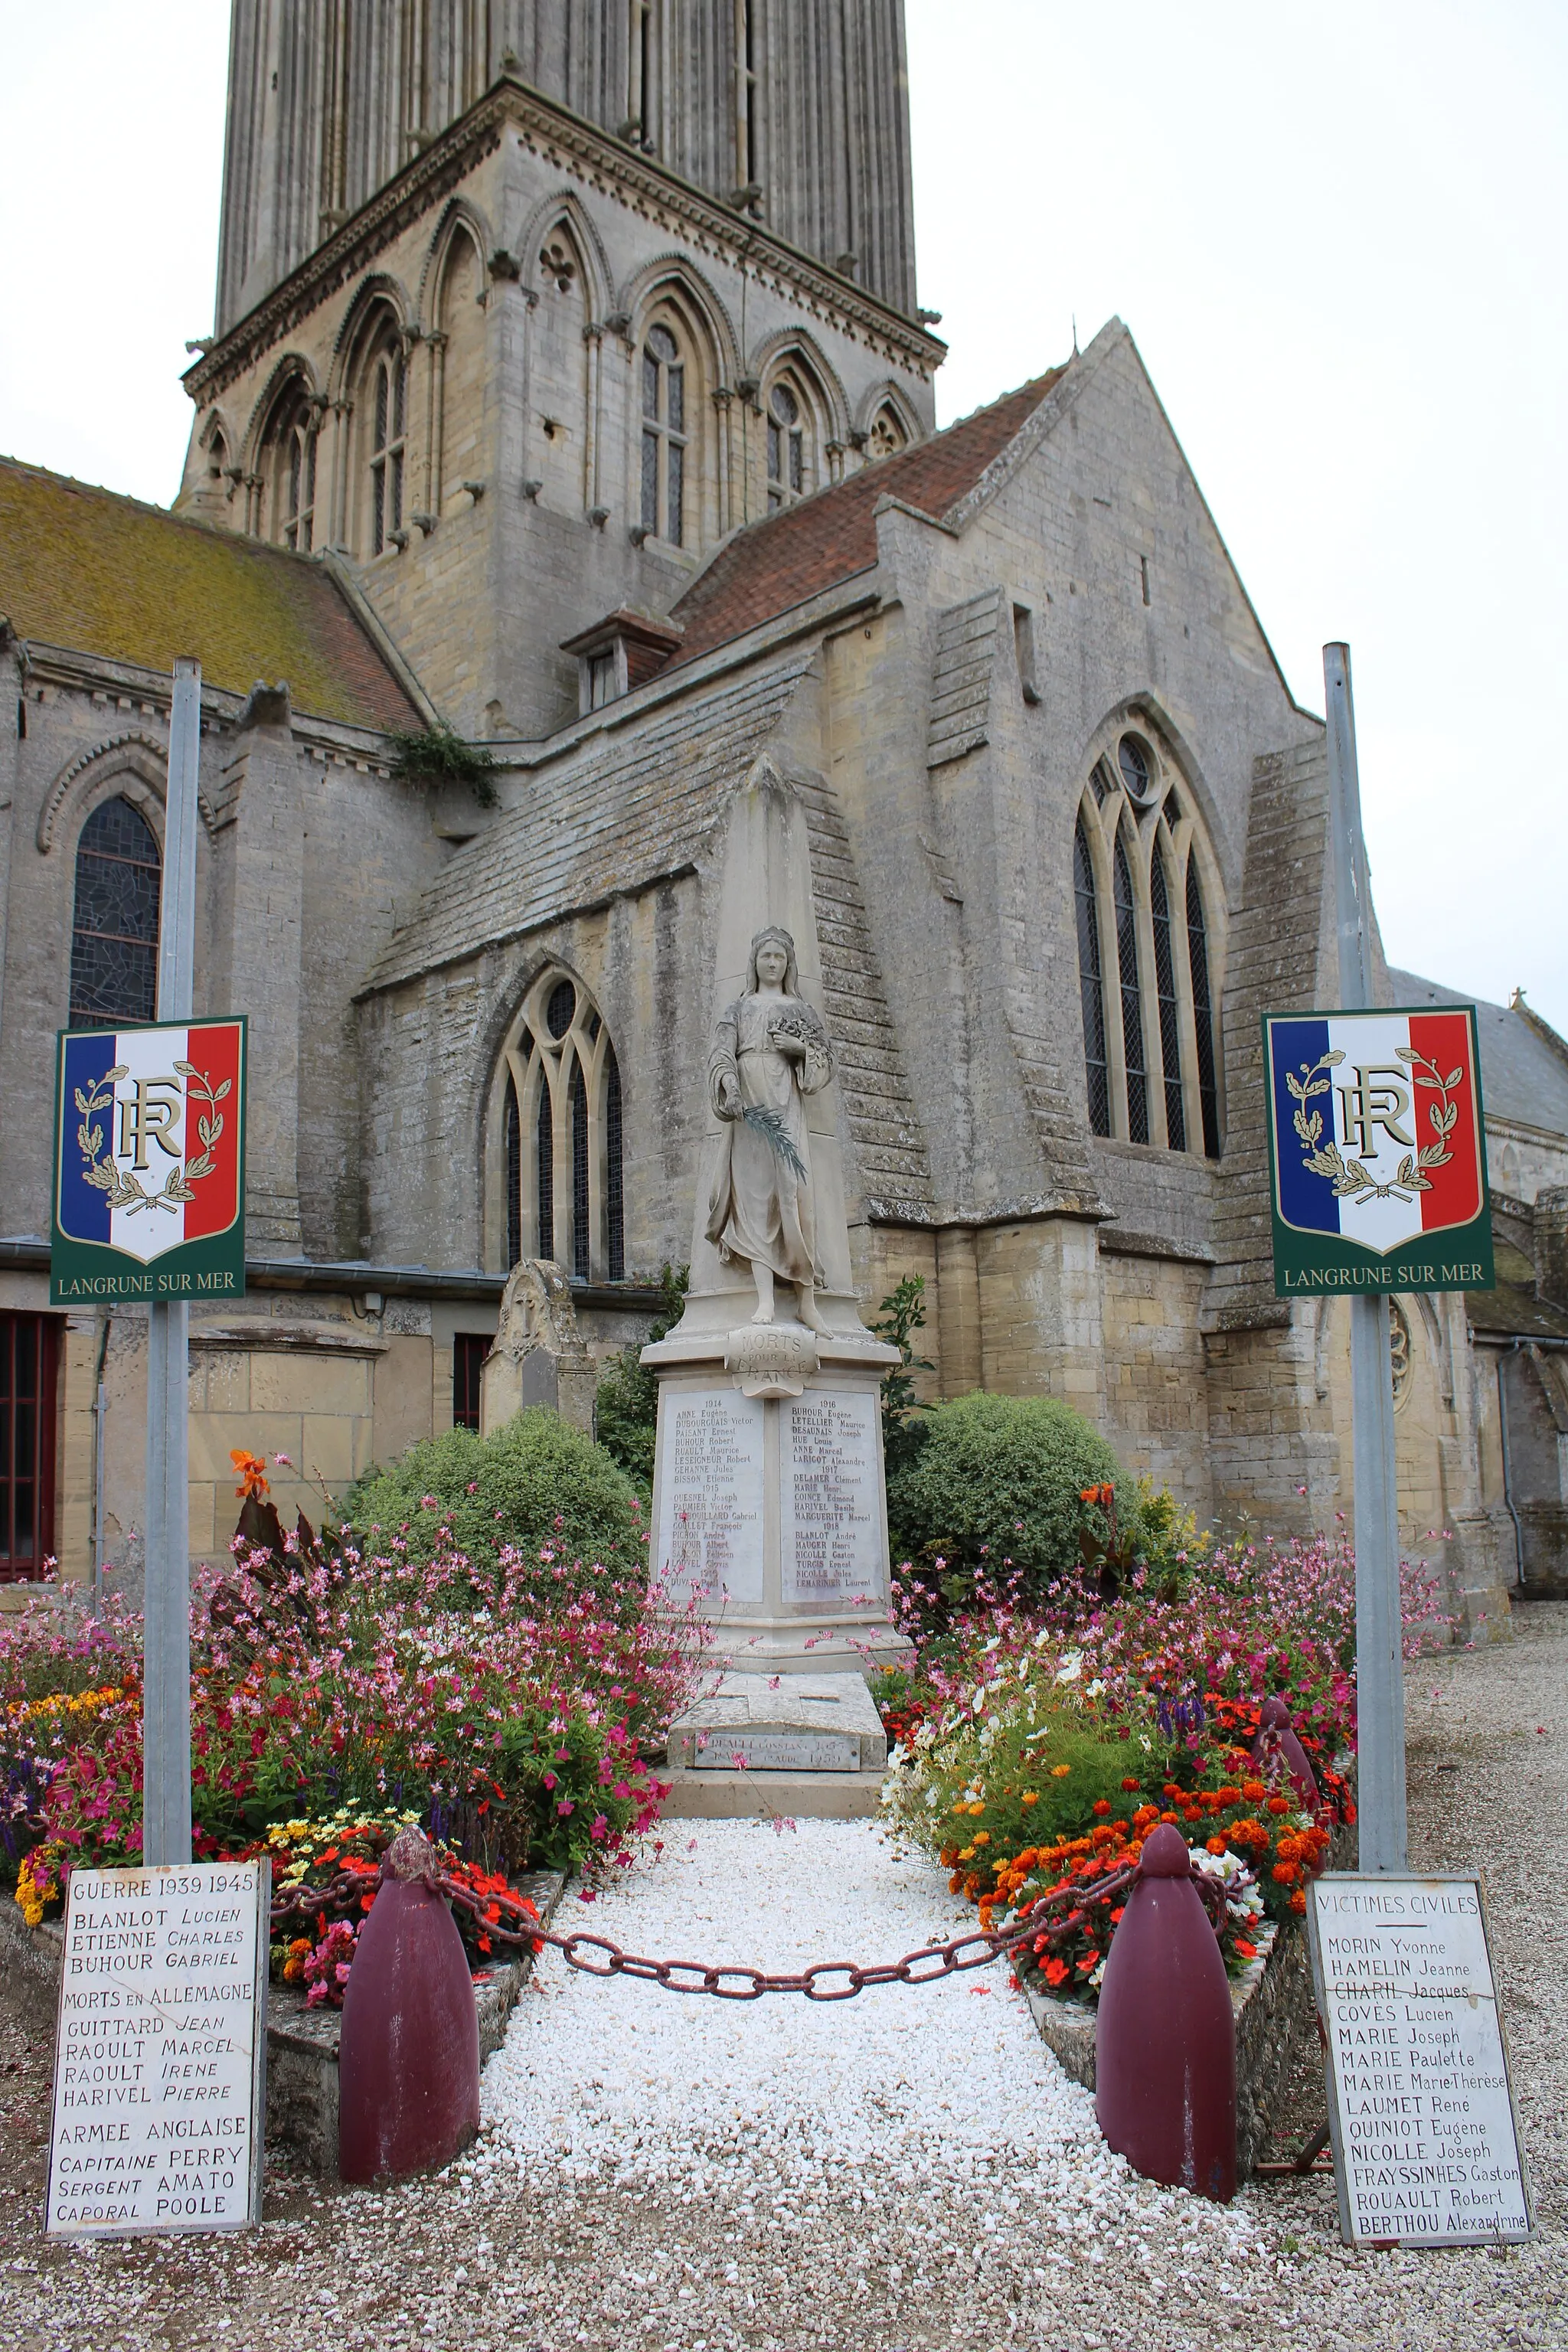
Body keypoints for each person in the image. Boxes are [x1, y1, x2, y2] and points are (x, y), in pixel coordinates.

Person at [706, 926, 833, 1328]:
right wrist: (728, 1084)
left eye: (780, 957)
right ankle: (765, 1301)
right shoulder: (738, 1009)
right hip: (750, 1111)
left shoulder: (801, 1010)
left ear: (789, 963)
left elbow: (823, 1064)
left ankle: (807, 1300)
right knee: (755, 1202)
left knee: (797, 1198)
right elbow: (721, 1054)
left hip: (786, 1104)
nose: (773, 963)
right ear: (755, 962)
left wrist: (801, 1051)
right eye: (767, 956)